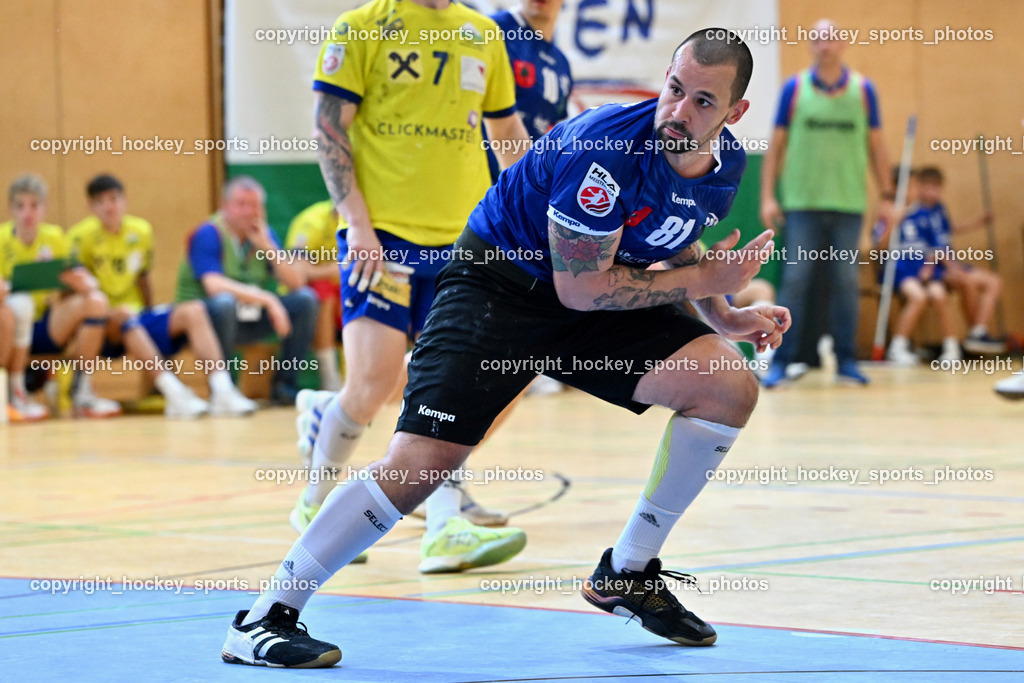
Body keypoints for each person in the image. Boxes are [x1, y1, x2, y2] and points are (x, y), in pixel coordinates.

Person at [222, 29, 790, 668]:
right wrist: (704, 283)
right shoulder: (601, 152)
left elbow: (672, 240)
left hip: (584, 295)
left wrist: (725, 313)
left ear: (735, 114)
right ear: (665, 76)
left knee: (727, 384)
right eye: (675, 88)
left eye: (702, 103)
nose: (679, 112)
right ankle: (264, 617)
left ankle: (627, 572)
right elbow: (585, 289)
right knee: (422, 463)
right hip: (501, 284)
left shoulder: (725, 166)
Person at [286, 0, 534, 576]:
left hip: (465, 240)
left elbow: (505, 131)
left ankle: (444, 526)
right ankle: (313, 502)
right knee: (372, 384)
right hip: (384, 237)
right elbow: (329, 130)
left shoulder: (481, 33)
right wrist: (358, 226)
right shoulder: (361, 27)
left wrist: (533, 212)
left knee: (451, 386)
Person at [760, 18, 894, 387]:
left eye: (831, 38)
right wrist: (768, 196)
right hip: (802, 204)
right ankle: (782, 361)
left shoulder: (863, 90)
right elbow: (776, 147)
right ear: (811, 46)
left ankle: (846, 360)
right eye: (818, 39)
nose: (825, 45)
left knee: (846, 282)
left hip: (849, 205)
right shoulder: (794, 89)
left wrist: (886, 197)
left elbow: (877, 146)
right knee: (796, 281)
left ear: (843, 43)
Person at [69, 174, 257, 418]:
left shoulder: (141, 231)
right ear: (91, 206)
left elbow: (142, 279)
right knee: (127, 316)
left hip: (136, 315)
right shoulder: (79, 237)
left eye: (114, 199)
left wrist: (148, 309)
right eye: (101, 201)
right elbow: (72, 292)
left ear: (124, 201)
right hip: (103, 323)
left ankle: (222, 390)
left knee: (193, 310)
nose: (109, 206)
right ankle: (175, 394)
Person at [175, 176, 317, 405]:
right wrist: (268, 299)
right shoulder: (207, 233)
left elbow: (296, 283)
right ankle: (224, 390)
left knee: (305, 300)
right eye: (241, 205)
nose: (249, 212)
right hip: (205, 323)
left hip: (247, 317)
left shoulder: (262, 235)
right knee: (224, 303)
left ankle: (284, 387)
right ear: (225, 206)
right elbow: (214, 286)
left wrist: (267, 247)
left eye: (255, 205)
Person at [0, 173, 121, 420]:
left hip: (44, 326)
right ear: (10, 209)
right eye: (21, 206)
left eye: (34, 205)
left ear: (44, 208)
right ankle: (13, 391)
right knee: (18, 305)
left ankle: (82, 392)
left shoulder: (55, 238)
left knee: (96, 301)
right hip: (7, 328)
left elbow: (76, 278)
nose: (28, 213)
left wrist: (83, 284)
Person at [912, 166, 1004, 355]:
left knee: (994, 282)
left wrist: (977, 222)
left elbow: (948, 230)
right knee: (966, 281)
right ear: (919, 187)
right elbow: (929, 250)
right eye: (929, 187)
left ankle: (978, 331)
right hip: (936, 269)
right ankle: (975, 335)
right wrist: (951, 265)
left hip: (951, 263)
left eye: (937, 188)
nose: (933, 192)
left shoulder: (939, 209)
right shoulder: (916, 214)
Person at [874, 170, 961, 364]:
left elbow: (935, 246)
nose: (911, 191)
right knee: (918, 297)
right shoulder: (886, 212)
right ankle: (898, 347)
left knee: (939, 294)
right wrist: (893, 224)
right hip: (900, 267)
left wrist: (929, 267)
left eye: (914, 186)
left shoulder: (925, 212)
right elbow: (879, 246)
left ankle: (951, 348)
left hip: (923, 266)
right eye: (907, 186)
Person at [284, 200, 343, 392]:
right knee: (323, 290)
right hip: (310, 303)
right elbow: (297, 270)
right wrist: (339, 268)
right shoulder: (312, 221)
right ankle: (329, 377)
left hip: (346, 297)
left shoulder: (370, 223)